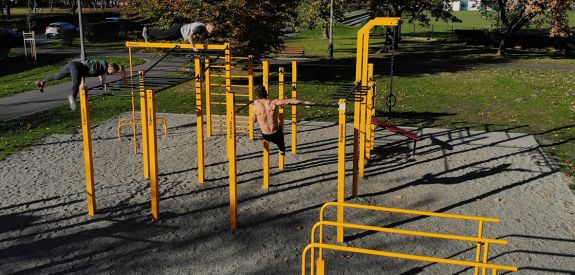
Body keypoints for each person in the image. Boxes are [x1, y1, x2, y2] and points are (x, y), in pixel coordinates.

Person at [35, 60, 128, 111]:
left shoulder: (103, 67)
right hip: (76, 67)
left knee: (57, 77)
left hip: (72, 64)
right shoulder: (100, 67)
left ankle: (41, 82)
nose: (111, 74)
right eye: (112, 72)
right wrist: (82, 84)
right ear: (110, 68)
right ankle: (72, 97)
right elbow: (85, 72)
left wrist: (104, 85)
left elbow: (102, 76)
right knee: (76, 82)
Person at [252, 86, 305, 155]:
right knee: (281, 141)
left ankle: (269, 144)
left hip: (265, 135)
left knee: (265, 128)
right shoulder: (273, 102)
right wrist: (302, 102)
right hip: (276, 133)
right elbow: (289, 101)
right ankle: (282, 150)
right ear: (266, 94)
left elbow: (253, 120)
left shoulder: (254, 106)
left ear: (256, 96)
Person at [142, 22, 215, 52]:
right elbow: (190, 36)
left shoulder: (203, 29)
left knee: (165, 37)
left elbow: (201, 38)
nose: (212, 33)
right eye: (212, 31)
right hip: (179, 30)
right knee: (164, 34)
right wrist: (193, 47)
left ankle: (149, 37)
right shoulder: (200, 28)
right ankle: (147, 32)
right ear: (208, 28)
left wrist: (202, 45)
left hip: (180, 32)